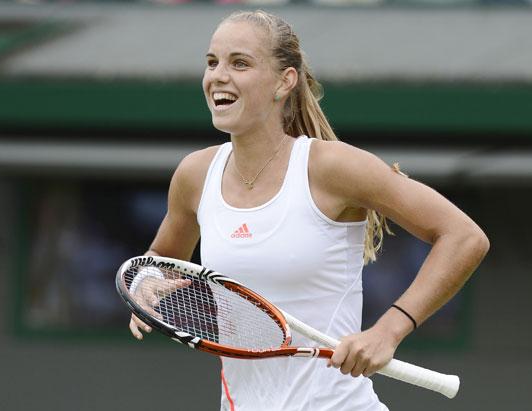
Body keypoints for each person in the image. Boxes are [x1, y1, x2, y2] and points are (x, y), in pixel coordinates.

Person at [129, 10, 489, 410]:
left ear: (284, 81)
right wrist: (145, 282)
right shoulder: (195, 174)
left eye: (240, 63)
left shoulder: (333, 168)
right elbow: (160, 262)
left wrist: (388, 331)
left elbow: (464, 237)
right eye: (212, 62)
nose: (218, 76)